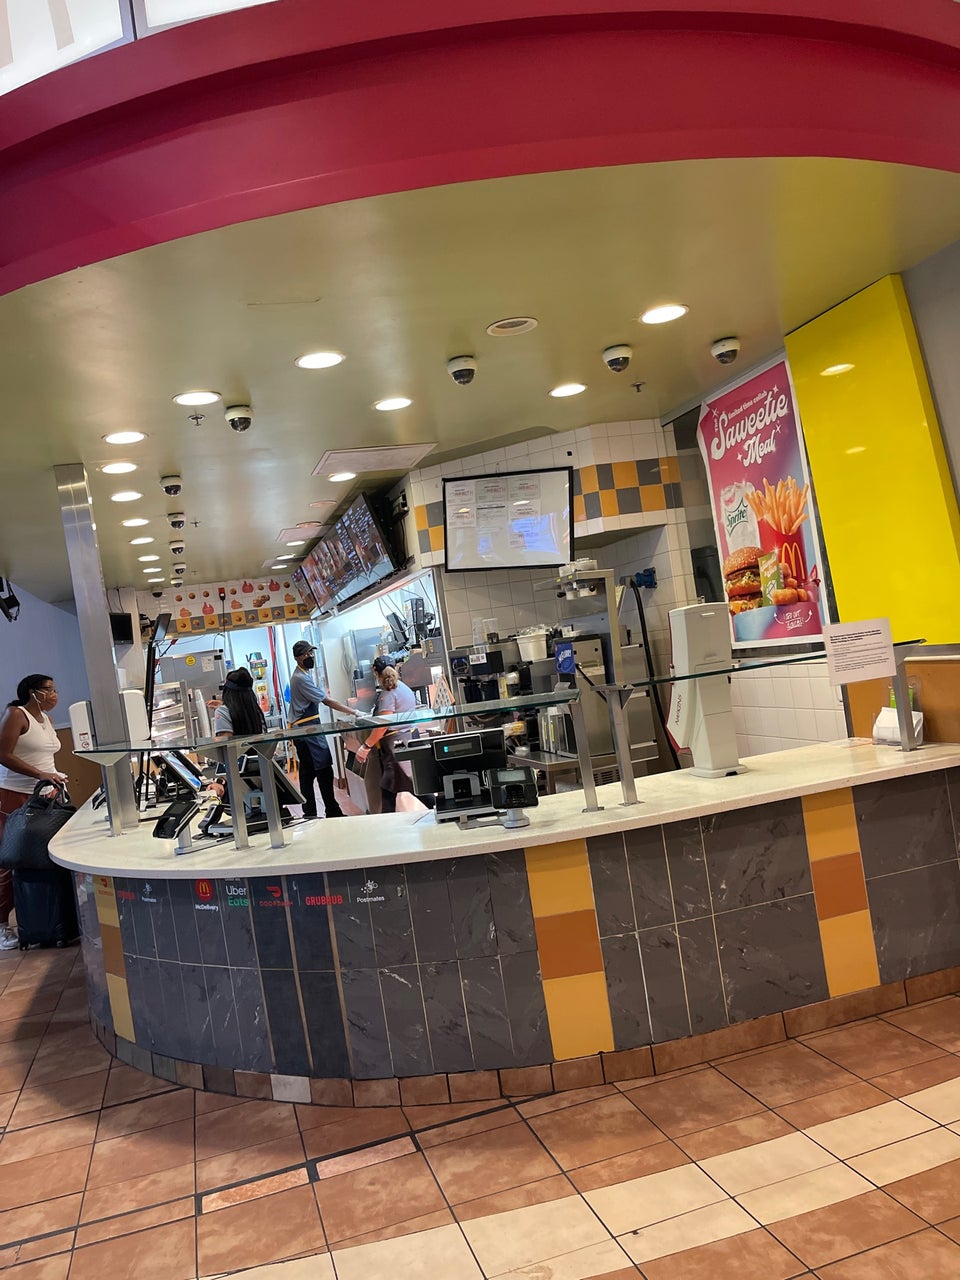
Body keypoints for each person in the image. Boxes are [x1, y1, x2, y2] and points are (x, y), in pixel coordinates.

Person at [0, 675, 67, 949]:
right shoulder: (16, 714)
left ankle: (52, 918)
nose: (54, 695)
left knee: (44, 856)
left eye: (55, 689)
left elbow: (44, 757)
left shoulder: (47, 720)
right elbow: (3, 754)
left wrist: (52, 777)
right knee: (12, 857)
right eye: (49, 690)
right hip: (15, 794)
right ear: (33, 692)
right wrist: (40, 774)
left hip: (45, 794)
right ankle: (2, 926)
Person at [289, 640, 355, 819]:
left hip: (304, 728)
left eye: (311, 653)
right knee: (324, 768)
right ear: (298, 658)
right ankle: (331, 810)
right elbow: (326, 701)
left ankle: (310, 812)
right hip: (308, 729)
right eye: (306, 654)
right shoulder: (300, 678)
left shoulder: (303, 674)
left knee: (308, 771)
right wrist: (353, 711)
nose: (310, 656)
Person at [355, 661, 417, 813]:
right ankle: (387, 817)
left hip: (395, 744)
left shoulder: (388, 693)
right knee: (390, 786)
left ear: (377, 674)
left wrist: (366, 746)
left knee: (409, 784)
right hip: (407, 738)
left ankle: (438, 808)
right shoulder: (403, 687)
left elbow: (383, 725)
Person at [213, 668, 266, 738]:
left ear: (227, 691)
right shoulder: (255, 710)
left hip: (238, 746)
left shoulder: (222, 712)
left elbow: (225, 741)